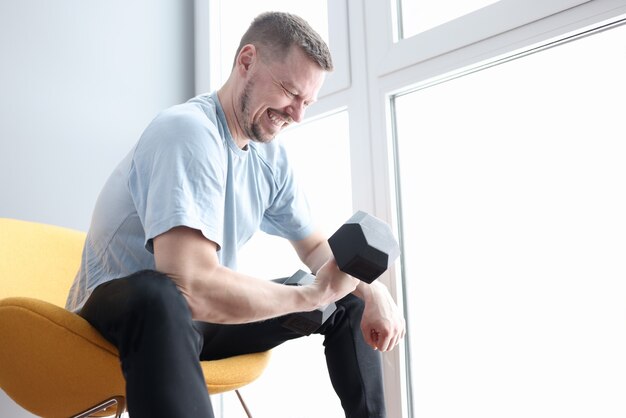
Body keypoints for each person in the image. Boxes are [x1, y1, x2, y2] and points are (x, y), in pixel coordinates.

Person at [66, 11, 405, 418]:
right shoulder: (187, 133)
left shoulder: (269, 158)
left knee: (344, 301)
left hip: (196, 316)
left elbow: (315, 247)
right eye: (289, 92)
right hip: (118, 314)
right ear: (247, 62)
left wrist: (371, 290)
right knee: (162, 293)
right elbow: (189, 284)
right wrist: (308, 295)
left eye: (307, 103)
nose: (297, 115)